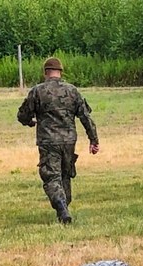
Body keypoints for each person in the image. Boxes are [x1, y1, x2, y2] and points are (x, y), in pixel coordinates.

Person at [17, 57, 99, 224]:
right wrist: (93, 139)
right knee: (65, 175)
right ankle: (64, 211)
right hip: (69, 141)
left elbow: (23, 114)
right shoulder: (72, 91)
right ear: (60, 72)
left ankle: (62, 208)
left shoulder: (38, 91)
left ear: (45, 72)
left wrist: (29, 122)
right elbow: (85, 117)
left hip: (48, 141)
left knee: (51, 176)